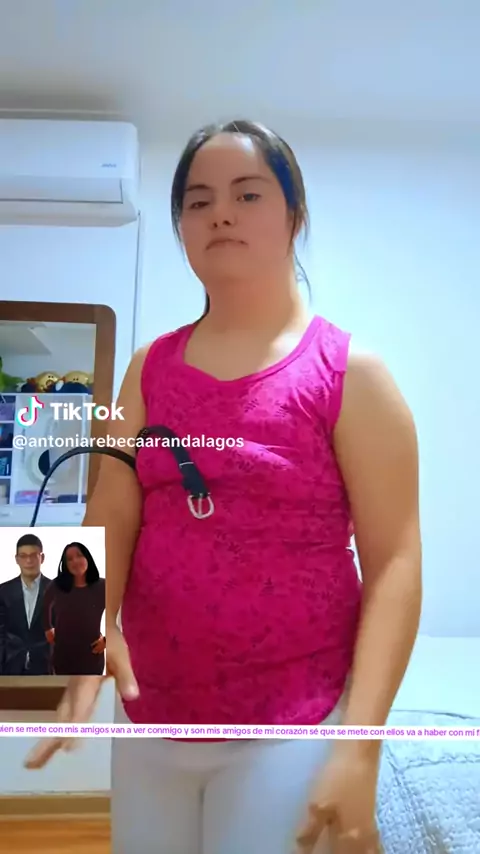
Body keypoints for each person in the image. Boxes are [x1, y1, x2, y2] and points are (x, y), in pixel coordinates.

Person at [25, 119, 422, 854]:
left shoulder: (350, 374)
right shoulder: (147, 368)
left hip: (288, 725)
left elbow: (395, 563)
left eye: (247, 193)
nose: (221, 214)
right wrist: (82, 648)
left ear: (294, 214)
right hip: (151, 717)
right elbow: (111, 511)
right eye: (198, 201)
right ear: (180, 225)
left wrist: (360, 747)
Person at [42, 542, 106, 676]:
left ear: (88, 558)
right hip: (62, 657)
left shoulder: (103, 586)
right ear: (65, 565)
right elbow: (44, 604)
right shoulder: (57, 585)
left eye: (79, 556)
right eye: (69, 559)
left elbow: (122, 612)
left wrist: (107, 640)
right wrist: (47, 628)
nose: (75, 561)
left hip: (92, 656)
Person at [0, 534, 51, 675]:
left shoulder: (56, 591)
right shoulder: (3, 592)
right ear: (17, 559)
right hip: (9, 668)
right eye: (23, 556)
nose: (28, 560)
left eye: (33, 555)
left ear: (42, 558)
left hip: (47, 668)